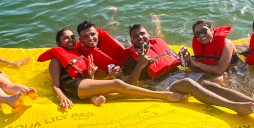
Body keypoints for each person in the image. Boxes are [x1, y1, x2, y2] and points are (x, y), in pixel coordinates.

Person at [123, 24, 254, 116]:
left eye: (143, 34)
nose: (140, 37)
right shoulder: (132, 60)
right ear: (132, 41)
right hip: (160, 84)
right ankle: (234, 107)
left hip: (178, 74)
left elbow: (180, 65)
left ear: (149, 35)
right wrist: (140, 65)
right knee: (188, 83)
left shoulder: (159, 46)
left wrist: (186, 60)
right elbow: (127, 84)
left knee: (209, 84)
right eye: (136, 36)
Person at [39, 28, 184, 110]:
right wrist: (62, 98)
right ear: (58, 43)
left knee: (115, 90)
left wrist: (91, 75)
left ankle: (94, 98)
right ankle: (163, 95)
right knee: (118, 85)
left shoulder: (78, 53)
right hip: (70, 86)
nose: (70, 40)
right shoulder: (56, 59)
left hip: (82, 86)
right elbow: (55, 85)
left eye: (72, 37)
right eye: (66, 38)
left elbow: (89, 81)